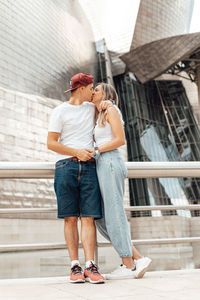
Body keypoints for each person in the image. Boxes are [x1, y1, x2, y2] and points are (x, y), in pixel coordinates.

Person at [47, 73, 111, 284]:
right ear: (82, 88)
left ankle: (90, 266)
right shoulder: (59, 111)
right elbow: (52, 143)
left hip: (90, 167)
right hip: (66, 166)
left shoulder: (92, 108)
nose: (93, 92)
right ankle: (75, 266)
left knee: (88, 218)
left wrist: (107, 103)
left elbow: (108, 108)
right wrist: (76, 151)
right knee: (70, 218)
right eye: (91, 88)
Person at [91, 82, 152, 280]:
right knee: (100, 217)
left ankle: (128, 263)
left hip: (109, 162)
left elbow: (120, 140)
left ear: (107, 94)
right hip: (101, 164)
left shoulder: (112, 109)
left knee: (114, 213)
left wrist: (97, 151)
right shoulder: (99, 113)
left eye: (97, 90)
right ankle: (137, 258)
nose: (93, 92)